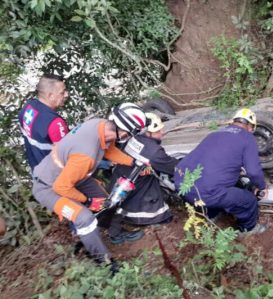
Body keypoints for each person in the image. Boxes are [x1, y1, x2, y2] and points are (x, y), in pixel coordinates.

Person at [31, 103, 147, 267]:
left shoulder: (102, 126)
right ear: (122, 130)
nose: (128, 137)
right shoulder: (86, 155)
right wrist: (87, 201)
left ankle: (115, 233)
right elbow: (61, 187)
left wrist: (134, 163)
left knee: (108, 200)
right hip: (48, 187)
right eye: (129, 134)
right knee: (84, 218)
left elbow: (109, 150)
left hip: (73, 175)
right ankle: (104, 261)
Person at [174, 108, 268, 235]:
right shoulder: (247, 137)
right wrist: (262, 187)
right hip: (206, 192)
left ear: (234, 121)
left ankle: (212, 215)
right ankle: (248, 229)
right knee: (248, 200)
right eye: (252, 129)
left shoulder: (215, 133)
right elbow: (253, 171)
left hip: (183, 185)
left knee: (213, 185)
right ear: (251, 126)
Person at [111, 112, 177, 225]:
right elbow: (173, 168)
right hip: (136, 195)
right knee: (162, 214)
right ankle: (151, 218)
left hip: (118, 184)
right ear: (147, 132)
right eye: (157, 131)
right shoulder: (153, 151)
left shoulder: (133, 137)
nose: (162, 133)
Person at [18, 74, 69, 171]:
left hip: (37, 170)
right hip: (54, 177)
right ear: (51, 96)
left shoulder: (28, 108)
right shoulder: (55, 123)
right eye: (62, 93)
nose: (66, 94)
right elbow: (66, 156)